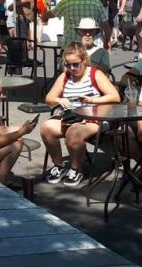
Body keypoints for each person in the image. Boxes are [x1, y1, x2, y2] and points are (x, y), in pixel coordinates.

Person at [41, 42, 121, 186]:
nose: (72, 68)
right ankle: (58, 165)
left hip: (94, 117)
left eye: (75, 64)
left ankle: (76, 168)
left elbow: (115, 97)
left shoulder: (95, 73)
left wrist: (91, 99)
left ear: (84, 60)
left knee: (74, 131)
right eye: (68, 65)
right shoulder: (65, 76)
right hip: (71, 116)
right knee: (46, 127)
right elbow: (49, 99)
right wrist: (60, 99)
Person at [43, 0, 107, 47]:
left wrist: (44, 17)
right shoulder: (96, 2)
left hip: (71, 44)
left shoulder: (66, 2)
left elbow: (52, 13)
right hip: (90, 43)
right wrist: (108, 39)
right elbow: (105, 23)